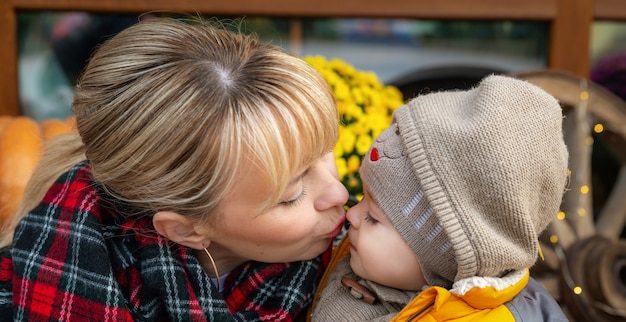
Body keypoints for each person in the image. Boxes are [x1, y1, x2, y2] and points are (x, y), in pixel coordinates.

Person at [0, 16, 349, 321]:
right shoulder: (32, 292)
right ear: (185, 230)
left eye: (327, 153)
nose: (341, 193)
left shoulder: (362, 260)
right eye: (291, 195)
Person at [309, 75, 570, 321]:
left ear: (449, 259)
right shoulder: (369, 270)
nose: (351, 214)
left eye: (373, 218)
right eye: (363, 198)